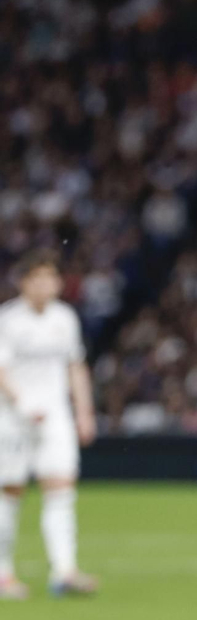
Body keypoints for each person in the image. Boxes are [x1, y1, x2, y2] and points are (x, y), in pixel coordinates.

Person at [0, 250, 99, 599]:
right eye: (37, 278)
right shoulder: (9, 320)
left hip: (56, 416)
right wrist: (23, 404)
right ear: (24, 282)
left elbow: (75, 366)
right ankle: (3, 573)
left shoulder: (65, 318)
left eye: (50, 278)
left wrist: (84, 412)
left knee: (60, 488)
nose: (44, 285)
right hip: (12, 418)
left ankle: (64, 571)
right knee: (10, 491)